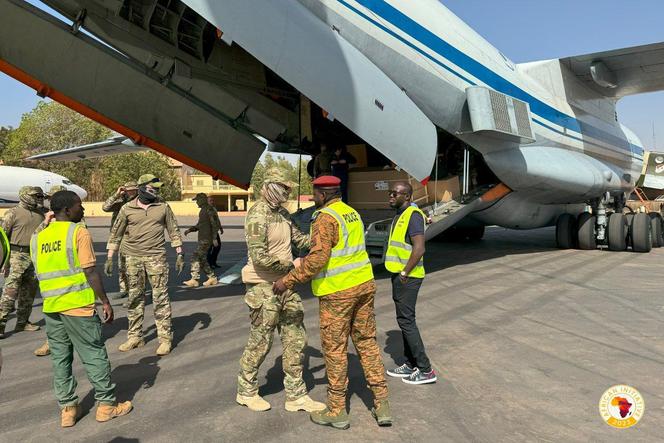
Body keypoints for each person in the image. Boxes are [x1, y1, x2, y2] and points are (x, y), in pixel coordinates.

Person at [273, 175, 391, 430]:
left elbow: (317, 260)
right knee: (367, 343)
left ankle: (337, 410)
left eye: (315, 194)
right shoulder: (350, 213)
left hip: (338, 293)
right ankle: (382, 404)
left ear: (323, 195)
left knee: (335, 350)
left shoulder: (325, 218)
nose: (313, 198)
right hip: (364, 285)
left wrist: (288, 281)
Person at [30, 190, 132, 427]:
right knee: (93, 354)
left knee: (60, 359)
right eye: (79, 206)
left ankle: (68, 409)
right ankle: (106, 406)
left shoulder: (40, 237)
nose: (83, 210)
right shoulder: (78, 232)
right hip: (77, 306)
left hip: (52, 308)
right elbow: (89, 271)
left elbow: (38, 270)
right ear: (67, 210)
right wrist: (105, 301)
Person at [236, 168, 325, 413]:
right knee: (261, 341)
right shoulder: (258, 214)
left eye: (288, 189)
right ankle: (246, 391)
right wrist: (292, 264)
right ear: (271, 187)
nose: (287, 192)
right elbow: (260, 257)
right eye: (283, 188)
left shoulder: (283, 214)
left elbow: (301, 241)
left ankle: (296, 396)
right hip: (262, 285)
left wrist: (325, 235)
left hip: (286, 283)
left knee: (296, 339)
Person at [105, 174, 184, 356]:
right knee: (135, 297)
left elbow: (173, 230)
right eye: (153, 187)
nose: (156, 190)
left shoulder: (163, 207)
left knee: (160, 298)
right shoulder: (127, 208)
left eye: (158, 188)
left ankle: (164, 339)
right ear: (142, 187)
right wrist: (110, 256)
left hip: (156, 258)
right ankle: (135, 337)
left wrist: (180, 253)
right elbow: (116, 233)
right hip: (133, 258)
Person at [384, 182, 436, 385]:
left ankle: (425, 369)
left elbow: (419, 248)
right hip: (399, 274)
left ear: (406, 196)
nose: (390, 196)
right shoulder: (402, 212)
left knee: (407, 321)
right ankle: (410, 363)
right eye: (389, 193)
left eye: (394, 193)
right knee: (403, 320)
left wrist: (405, 271)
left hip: (408, 276)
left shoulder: (412, 215)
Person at [0, 186, 45, 338]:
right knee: (10, 292)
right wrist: (4, 261)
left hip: (33, 256)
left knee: (29, 292)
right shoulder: (12, 213)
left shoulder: (41, 214)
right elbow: (2, 238)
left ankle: (22, 322)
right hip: (15, 255)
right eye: (35, 195)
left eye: (39, 195)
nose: (38, 198)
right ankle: (1, 324)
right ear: (24, 196)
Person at [102, 181, 139, 300]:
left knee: (134, 266)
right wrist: (116, 195)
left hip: (134, 238)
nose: (131, 192)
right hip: (120, 237)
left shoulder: (140, 202)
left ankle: (137, 291)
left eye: (134, 190)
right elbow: (105, 207)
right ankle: (124, 289)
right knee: (121, 265)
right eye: (128, 190)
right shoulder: (120, 202)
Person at [183, 193, 221, 287]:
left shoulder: (209, 209)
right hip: (203, 238)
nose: (196, 203)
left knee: (195, 257)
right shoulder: (203, 210)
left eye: (197, 200)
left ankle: (194, 279)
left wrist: (214, 238)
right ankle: (212, 278)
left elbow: (215, 224)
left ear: (202, 200)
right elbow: (200, 224)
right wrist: (190, 229)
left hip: (207, 239)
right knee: (203, 260)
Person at [206, 196, 223, 268]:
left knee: (217, 247)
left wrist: (220, 228)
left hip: (215, 232)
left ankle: (213, 262)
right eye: (210, 201)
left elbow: (217, 220)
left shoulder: (214, 209)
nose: (212, 202)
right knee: (210, 248)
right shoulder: (206, 210)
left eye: (213, 200)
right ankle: (209, 264)